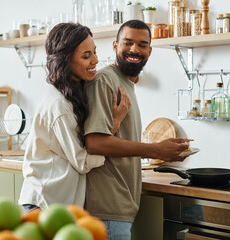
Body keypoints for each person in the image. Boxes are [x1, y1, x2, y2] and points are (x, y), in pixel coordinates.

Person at [84, 20, 189, 240]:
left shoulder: (126, 83)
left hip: (121, 206)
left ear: (149, 50)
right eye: (128, 43)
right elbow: (95, 143)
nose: (135, 50)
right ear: (115, 46)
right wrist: (155, 150)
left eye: (142, 45)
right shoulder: (105, 81)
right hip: (107, 207)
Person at [18, 22, 131, 212]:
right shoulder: (60, 106)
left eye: (94, 52)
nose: (95, 60)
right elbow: (83, 162)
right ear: (65, 61)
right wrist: (114, 124)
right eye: (86, 56)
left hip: (53, 202)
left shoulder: (73, 94)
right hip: (43, 204)